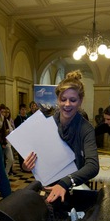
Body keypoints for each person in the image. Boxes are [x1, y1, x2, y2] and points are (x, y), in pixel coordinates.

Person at [22, 70, 99, 203]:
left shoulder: (86, 129)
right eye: (63, 99)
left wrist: (65, 182)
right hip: (48, 187)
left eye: (73, 100)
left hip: (73, 188)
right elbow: (35, 159)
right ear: (58, 100)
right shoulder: (47, 124)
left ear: (80, 101)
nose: (67, 104)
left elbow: (93, 165)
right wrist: (26, 166)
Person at [0, 104, 16, 175]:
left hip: (7, 142)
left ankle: (5, 173)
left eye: (4, 112)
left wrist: (8, 131)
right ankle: (1, 176)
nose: (3, 113)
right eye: (2, 112)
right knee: (1, 161)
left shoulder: (7, 120)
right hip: (0, 142)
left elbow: (11, 130)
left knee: (11, 159)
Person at [14, 103, 28, 169]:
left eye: (25, 110)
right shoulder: (17, 119)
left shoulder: (27, 118)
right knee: (21, 153)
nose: (24, 111)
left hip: (26, 137)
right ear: (20, 110)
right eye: (22, 109)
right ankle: (22, 167)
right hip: (20, 138)